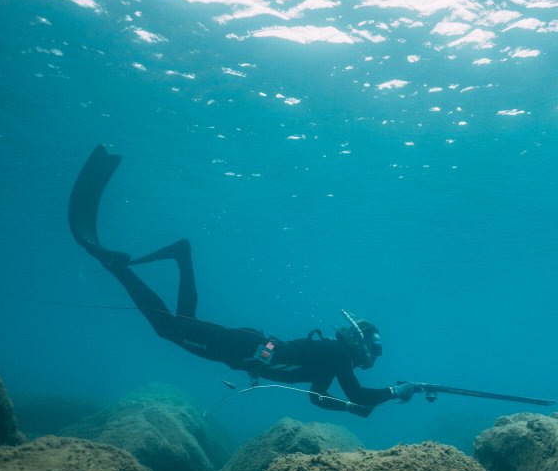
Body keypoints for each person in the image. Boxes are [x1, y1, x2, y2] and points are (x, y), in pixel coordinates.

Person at [69, 144, 418, 417]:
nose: (374, 356)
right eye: (374, 349)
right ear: (359, 343)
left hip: (244, 346)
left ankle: (182, 255)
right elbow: (356, 392)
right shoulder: (338, 353)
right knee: (168, 328)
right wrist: (392, 393)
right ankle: (116, 264)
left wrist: (351, 407)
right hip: (236, 348)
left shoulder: (333, 356)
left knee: (181, 323)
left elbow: (316, 398)